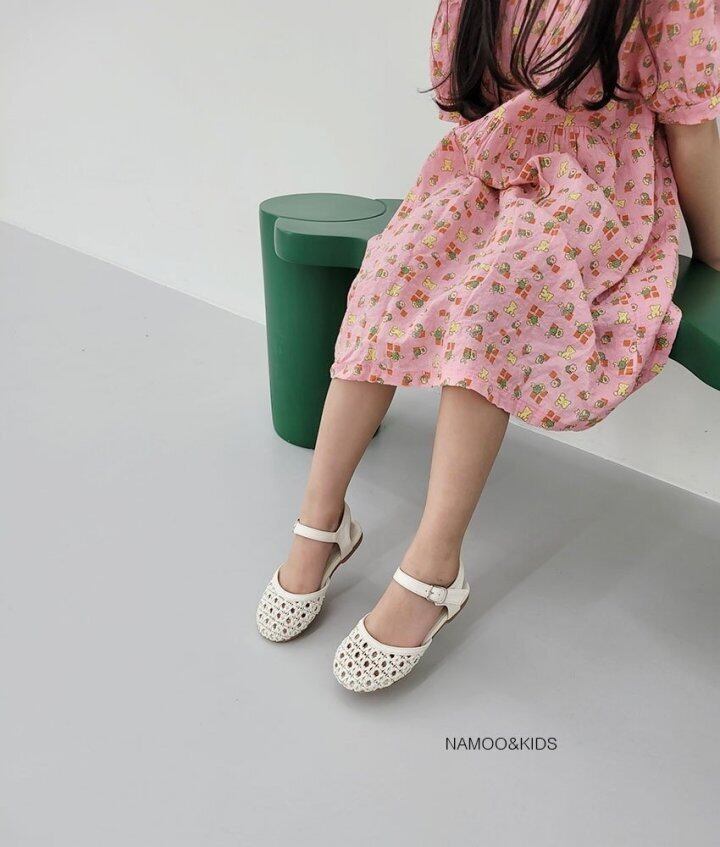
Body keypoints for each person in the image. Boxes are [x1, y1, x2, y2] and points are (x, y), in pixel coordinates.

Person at [257, 0, 720, 692]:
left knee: (492, 303)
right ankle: (321, 524)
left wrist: (714, 253)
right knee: (391, 274)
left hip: (598, 196)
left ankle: (435, 565)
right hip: (492, 167)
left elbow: (693, 132)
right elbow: (464, 97)